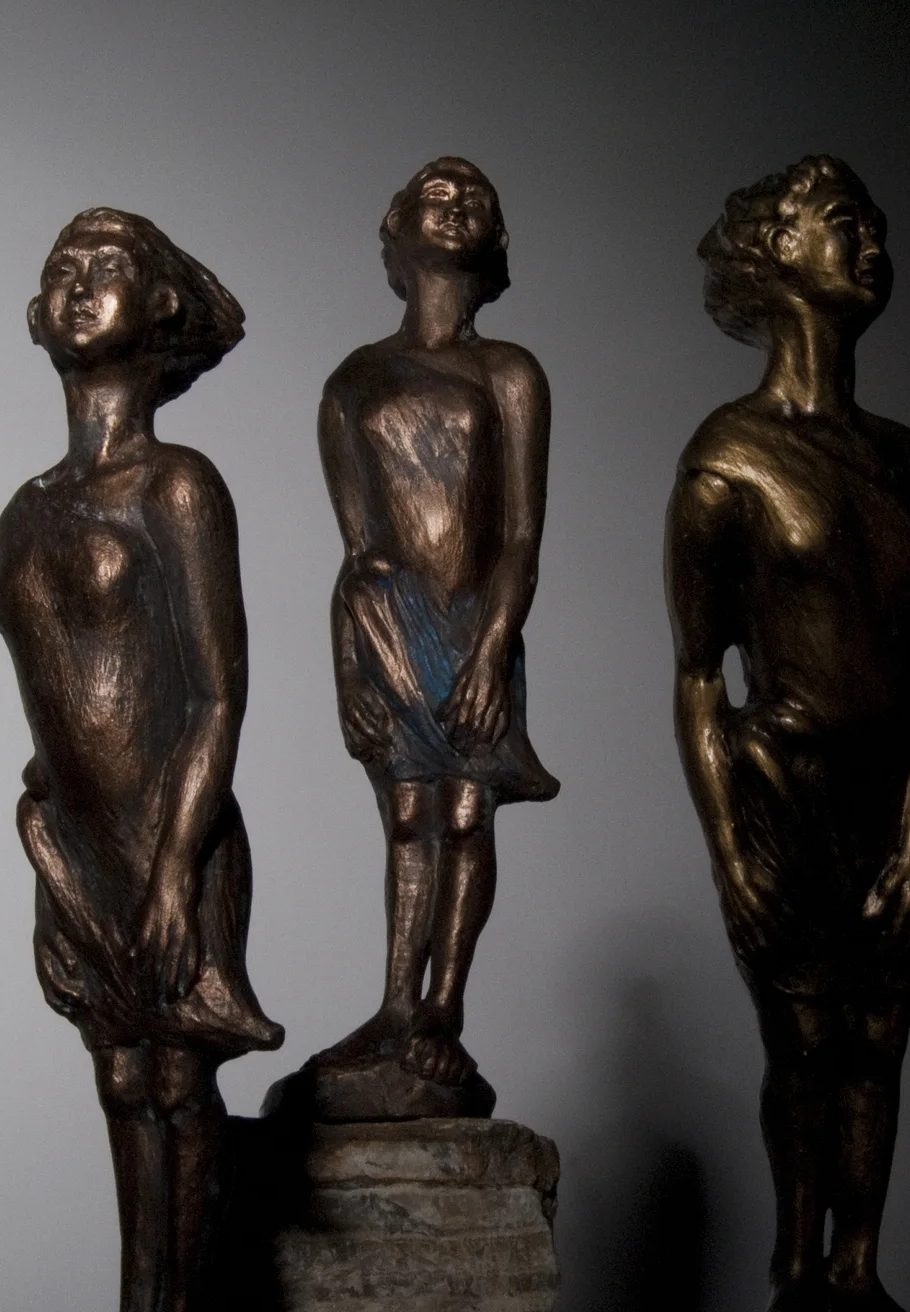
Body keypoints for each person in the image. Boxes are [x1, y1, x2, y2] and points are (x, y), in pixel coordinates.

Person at [0, 208, 282, 1312]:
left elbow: (215, 690)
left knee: (174, 1077)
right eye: (62, 270)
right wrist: (65, 833)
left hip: (171, 837)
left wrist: (172, 865)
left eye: (108, 269)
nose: (77, 284)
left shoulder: (178, 488)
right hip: (76, 839)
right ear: (36, 317)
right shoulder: (24, 509)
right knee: (118, 1076)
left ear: (162, 312)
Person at [663, 156, 910, 1312]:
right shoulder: (727, 457)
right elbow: (696, 674)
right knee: (803, 1038)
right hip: (779, 779)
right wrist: (728, 842)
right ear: (777, 251)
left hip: (887, 788)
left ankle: (858, 1275)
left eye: (876, 221)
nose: (870, 240)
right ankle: (794, 1281)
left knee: (881, 1038)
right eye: (842, 221)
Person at [305, 157, 559, 1109]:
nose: (457, 206)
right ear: (396, 223)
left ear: (496, 241)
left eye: (475, 199)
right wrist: (349, 672)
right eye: (437, 195)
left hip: (475, 621)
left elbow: (523, 536)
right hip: (387, 622)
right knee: (408, 814)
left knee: (465, 812)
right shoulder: (353, 380)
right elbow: (355, 548)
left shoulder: (510, 374)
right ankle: (394, 1008)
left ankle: (442, 1010)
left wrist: (493, 651)